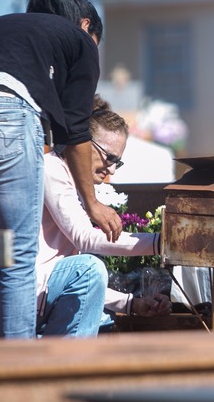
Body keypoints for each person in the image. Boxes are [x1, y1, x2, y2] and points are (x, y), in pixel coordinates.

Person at [0, 0, 122, 339]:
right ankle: (19, 373)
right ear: (86, 25)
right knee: (18, 252)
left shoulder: (7, 26)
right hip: (3, 111)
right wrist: (93, 204)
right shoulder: (81, 40)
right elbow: (79, 131)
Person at [37, 95, 172, 337]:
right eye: (109, 158)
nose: (111, 169)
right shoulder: (51, 167)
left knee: (100, 309)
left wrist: (131, 303)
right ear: (82, 143)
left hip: (34, 295)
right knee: (90, 268)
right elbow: (85, 240)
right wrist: (161, 243)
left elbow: (66, 275)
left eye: (117, 163)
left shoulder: (74, 181)